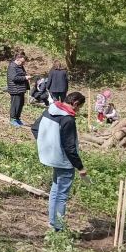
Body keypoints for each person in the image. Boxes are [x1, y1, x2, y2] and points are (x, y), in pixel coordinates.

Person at [36, 92, 87, 232]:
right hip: (64, 161)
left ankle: (52, 223)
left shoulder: (50, 110)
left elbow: (35, 128)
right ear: (75, 103)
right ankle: (58, 227)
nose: (78, 110)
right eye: (80, 107)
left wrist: (48, 144)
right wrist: (80, 167)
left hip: (51, 156)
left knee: (55, 190)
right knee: (62, 195)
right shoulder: (68, 119)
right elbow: (70, 147)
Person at [7, 52, 30, 127]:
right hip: (15, 88)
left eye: (24, 62)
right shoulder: (12, 66)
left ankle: (17, 118)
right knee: (15, 105)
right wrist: (25, 78)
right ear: (17, 59)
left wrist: (26, 77)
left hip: (21, 89)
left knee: (20, 104)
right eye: (22, 62)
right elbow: (13, 78)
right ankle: (13, 119)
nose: (23, 63)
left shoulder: (20, 66)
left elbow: (21, 74)